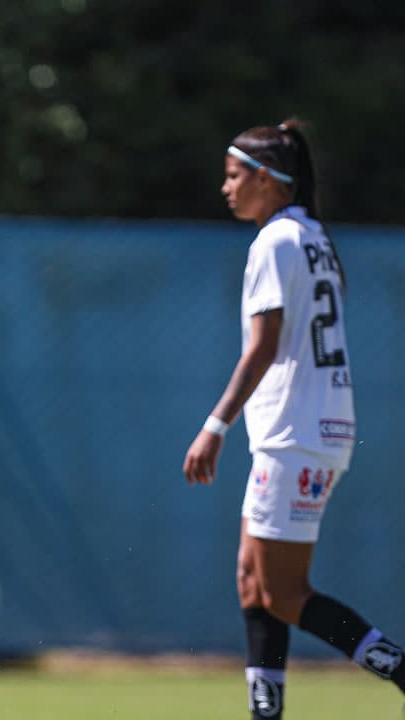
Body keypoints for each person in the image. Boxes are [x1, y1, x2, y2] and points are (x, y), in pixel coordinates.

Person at [182, 119, 405, 719]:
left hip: (294, 435)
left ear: (266, 178)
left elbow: (265, 343)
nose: (225, 188)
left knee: (281, 592)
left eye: (234, 176)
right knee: (253, 582)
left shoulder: (276, 240)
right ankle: (266, 713)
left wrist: (216, 424)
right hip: (308, 430)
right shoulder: (312, 235)